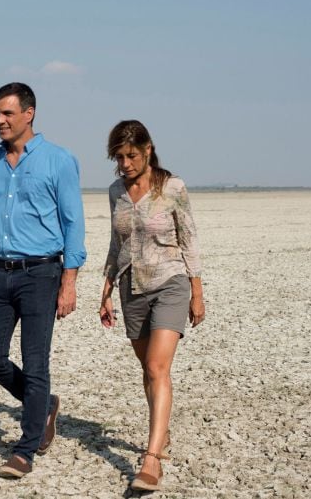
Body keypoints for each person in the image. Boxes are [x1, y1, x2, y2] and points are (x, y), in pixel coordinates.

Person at [0, 82, 87, 478]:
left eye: (7, 113)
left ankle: (25, 449)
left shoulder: (59, 160)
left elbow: (73, 224)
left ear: (28, 114)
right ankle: (44, 405)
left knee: (36, 362)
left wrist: (69, 282)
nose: (0, 120)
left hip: (42, 274)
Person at [98, 120, 205, 492]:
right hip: (131, 287)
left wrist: (197, 290)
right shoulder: (116, 192)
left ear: (147, 150)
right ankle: (163, 433)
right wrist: (107, 288)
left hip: (170, 282)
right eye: (118, 157)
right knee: (148, 369)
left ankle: (152, 459)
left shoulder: (172, 187)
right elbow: (117, 242)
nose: (125, 164)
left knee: (159, 366)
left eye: (130, 155)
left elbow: (188, 237)